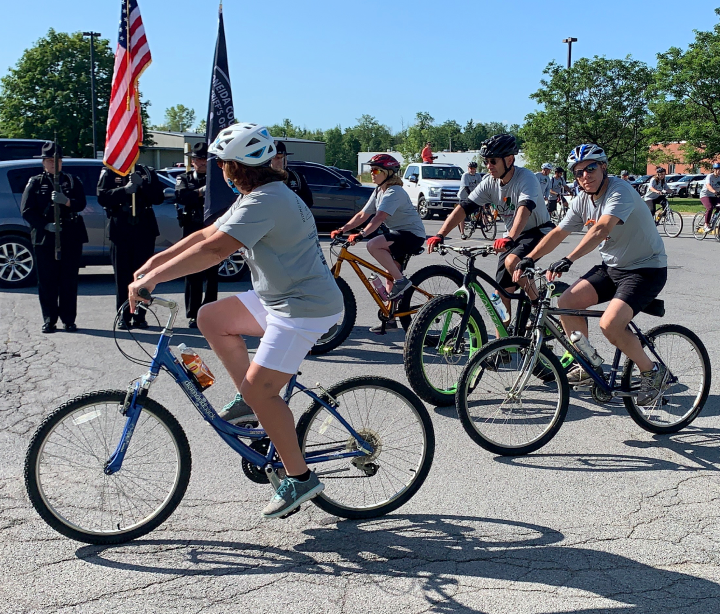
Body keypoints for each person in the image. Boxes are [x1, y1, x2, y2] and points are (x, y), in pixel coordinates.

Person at [128, 122, 342, 518]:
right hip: (279, 299)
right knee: (211, 317)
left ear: (235, 168)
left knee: (263, 391)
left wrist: (155, 279)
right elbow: (206, 233)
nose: (220, 171)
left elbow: (214, 250)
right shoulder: (257, 195)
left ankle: (300, 477)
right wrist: (154, 263)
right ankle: (250, 399)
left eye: (223, 164)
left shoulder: (267, 202)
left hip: (304, 308)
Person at [513, 143, 668, 406]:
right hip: (613, 267)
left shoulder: (621, 191)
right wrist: (529, 258)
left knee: (609, 325)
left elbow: (600, 230)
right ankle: (588, 364)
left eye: (591, 168)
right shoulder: (581, 200)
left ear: (604, 167)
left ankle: (652, 372)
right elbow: (558, 233)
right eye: (578, 172)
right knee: (567, 303)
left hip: (645, 269)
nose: (585, 176)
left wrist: (568, 259)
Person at [427, 134, 553, 330]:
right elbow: (464, 207)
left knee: (513, 262)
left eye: (493, 161)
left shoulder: (526, 178)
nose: (488, 165)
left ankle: (538, 306)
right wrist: (440, 234)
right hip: (515, 236)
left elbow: (524, 209)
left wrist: (510, 236)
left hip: (539, 231)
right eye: (486, 161)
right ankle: (502, 346)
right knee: (499, 296)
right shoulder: (489, 182)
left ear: (510, 160)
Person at [330, 153, 426, 333]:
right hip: (398, 233)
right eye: (371, 170)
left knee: (373, 245)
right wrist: (343, 229)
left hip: (411, 234)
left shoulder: (394, 192)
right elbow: (362, 215)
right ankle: (390, 319)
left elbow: (380, 217)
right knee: (389, 277)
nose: (372, 173)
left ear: (388, 172)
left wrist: (362, 234)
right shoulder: (379, 190)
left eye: (375, 170)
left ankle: (401, 280)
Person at [20, 141, 88, 333]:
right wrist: (45, 225)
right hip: (45, 237)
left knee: (68, 280)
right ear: (43, 162)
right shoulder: (36, 182)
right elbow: (27, 211)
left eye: (57, 160)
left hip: (70, 235)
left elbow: (81, 204)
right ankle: (49, 320)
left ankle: (69, 319)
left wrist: (66, 201)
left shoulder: (72, 180)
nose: (53, 164)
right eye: (49, 160)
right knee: (47, 280)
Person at [97, 162, 165, 328]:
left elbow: (159, 198)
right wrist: (124, 191)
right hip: (121, 229)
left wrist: (143, 185)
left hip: (144, 230)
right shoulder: (110, 171)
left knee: (143, 276)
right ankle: (124, 316)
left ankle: (140, 316)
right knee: (122, 277)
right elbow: (102, 197)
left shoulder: (147, 172)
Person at [175, 142, 219, 328]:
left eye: (203, 159)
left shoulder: (217, 180)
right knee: (192, 272)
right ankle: (193, 313)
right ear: (192, 161)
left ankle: (209, 312)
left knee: (211, 275)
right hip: (192, 229)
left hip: (212, 229)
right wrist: (201, 192)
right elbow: (181, 195)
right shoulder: (184, 178)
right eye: (196, 159)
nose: (199, 163)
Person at [272, 140, 313, 208]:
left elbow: (308, 201)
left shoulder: (297, 177)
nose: (280, 161)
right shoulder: (261, 178)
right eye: (277, 158)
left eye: (283, 157)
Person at [457, 161, 483, 238]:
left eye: (474, 168)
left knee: (477, 210)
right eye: (470, 168)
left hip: (473, 196)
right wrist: (472, 196)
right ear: (468, 168)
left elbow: (480, 186)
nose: (472, 170)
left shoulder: (478, 176)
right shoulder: (465, 175)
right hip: (464, 196)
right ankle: (462, 233)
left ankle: (473, 221)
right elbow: (466, 188)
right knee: (462, 215)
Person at [699, 163, 720, 232]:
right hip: (705, 195)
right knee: (710, 207)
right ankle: (706, 225)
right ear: (714, 170)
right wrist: (714, 191)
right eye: (718, 170)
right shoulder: (710, 176)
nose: (719, 171)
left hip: (715, 196)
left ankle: (714, 219)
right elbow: (708, 186)